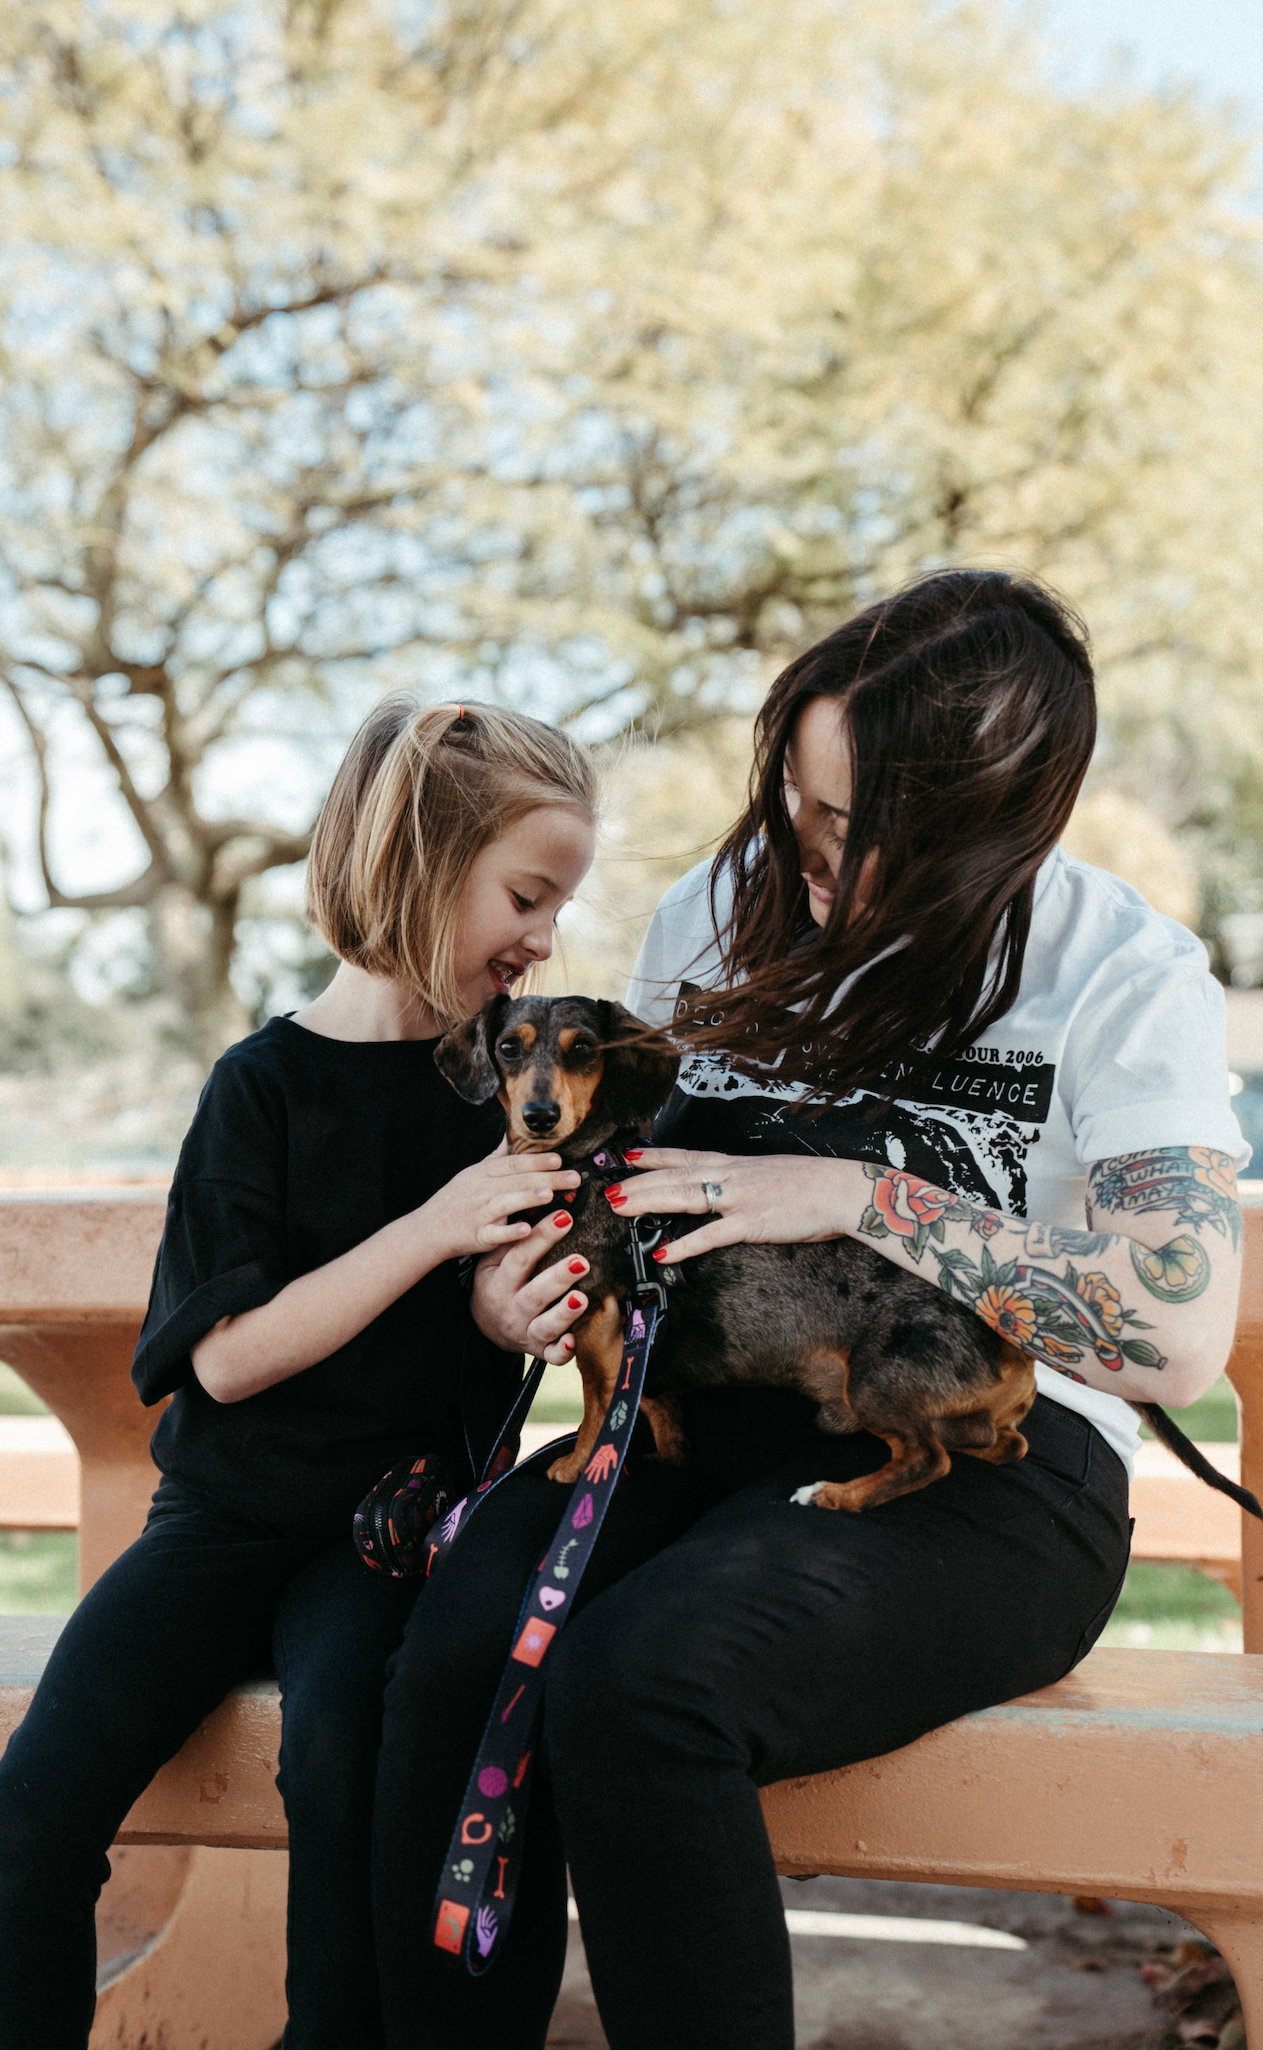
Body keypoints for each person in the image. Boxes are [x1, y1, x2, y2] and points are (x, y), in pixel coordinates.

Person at [372, 571, 1248, 2050]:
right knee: (458, 1638)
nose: (817, 861)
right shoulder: (709, 913)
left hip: (987, 1463)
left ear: (1003, 826)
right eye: (804, 806)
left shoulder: (1117, 970)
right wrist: (522, 1281)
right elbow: (607, 1178)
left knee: (644, 1682)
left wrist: (863, 1194)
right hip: (695, 1404)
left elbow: (1171, 1332)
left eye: (868, 835)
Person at [0, 700, 598, 2050]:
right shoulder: (260, 1088)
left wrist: (501, 1316)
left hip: (379, 1535)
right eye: (526, 893)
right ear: (423, 863)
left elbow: (493, 1346)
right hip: (220, 1522)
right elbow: (229, 1358)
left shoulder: (509, 1094)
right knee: (28, 1817)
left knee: (340, 1763)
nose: (543, 936)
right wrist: (435, 1227)